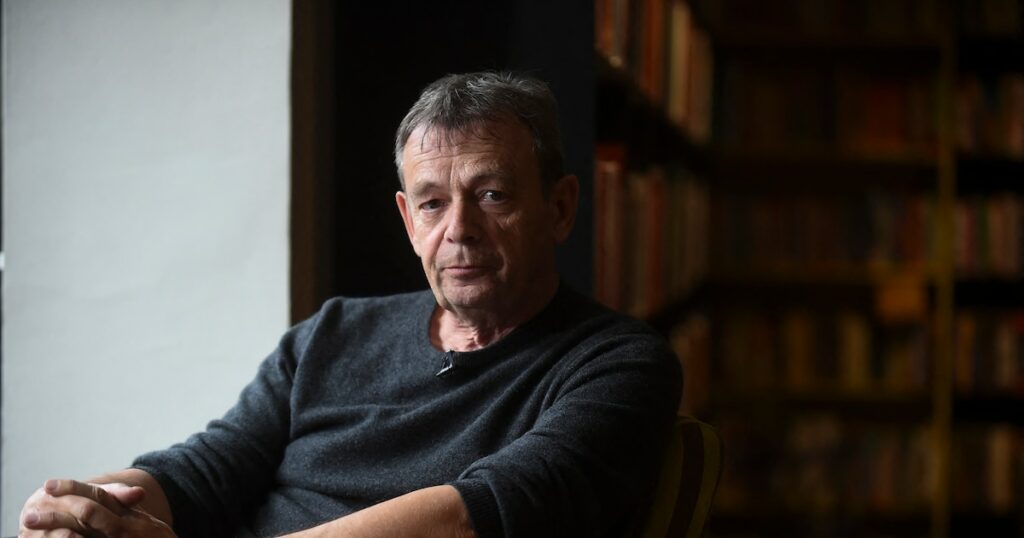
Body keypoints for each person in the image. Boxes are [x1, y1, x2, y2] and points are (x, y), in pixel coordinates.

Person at [19, 72, 682, 538]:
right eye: (431, 203)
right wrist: (86, 508)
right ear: (407, 220)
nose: (459, 230)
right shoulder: (333, 333)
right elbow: (204, 473)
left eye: (492, 195)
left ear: (560, 207)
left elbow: (471, 519)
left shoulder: (620, 365)